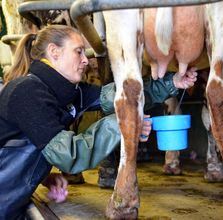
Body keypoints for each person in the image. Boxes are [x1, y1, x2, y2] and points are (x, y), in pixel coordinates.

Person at [0, 24, 197, 219]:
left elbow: (120, 96)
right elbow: (69, 156)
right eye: (78, 52)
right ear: (54, 52)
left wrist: (171, 83)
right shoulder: (28, 93)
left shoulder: (65, 91)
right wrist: (123, 124)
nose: (86, 60)